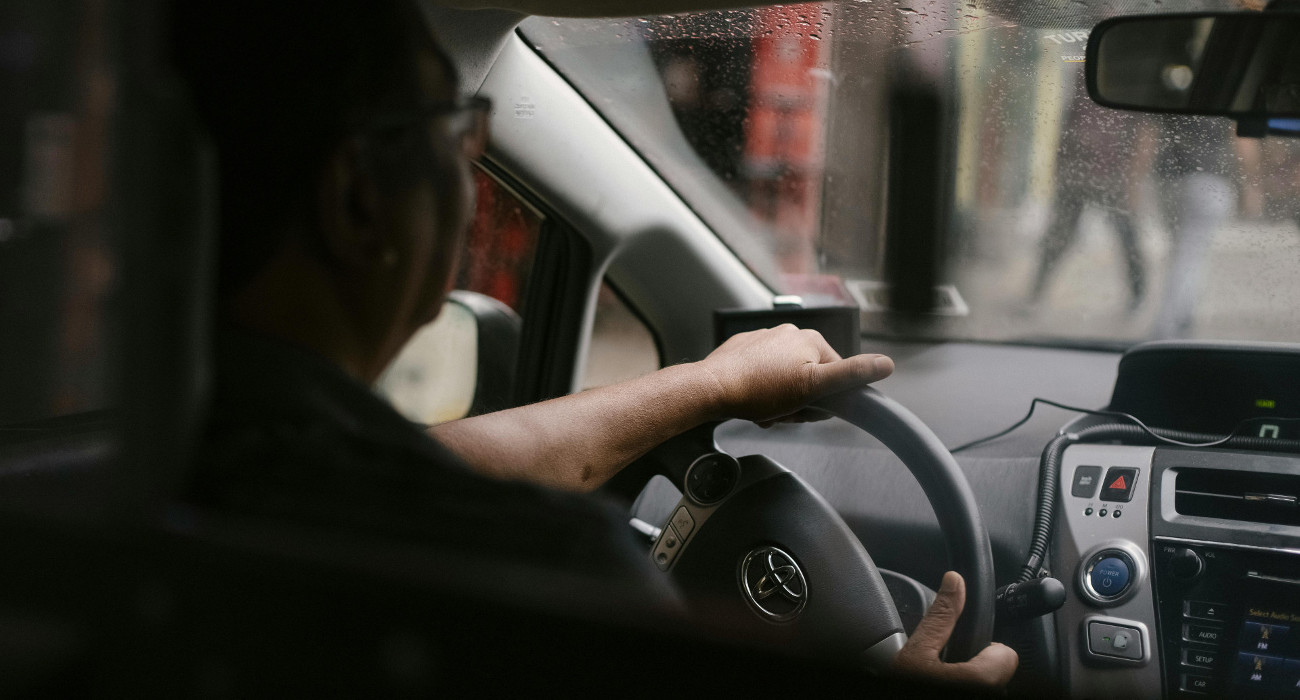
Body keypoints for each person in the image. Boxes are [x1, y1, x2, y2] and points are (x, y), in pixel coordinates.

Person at [174, 0, 1016, 687]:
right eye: (462, 135)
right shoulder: (556, 578)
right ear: (359, 200)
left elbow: (434, 463)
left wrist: (711, 386)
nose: (470, 178)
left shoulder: (169, 450)